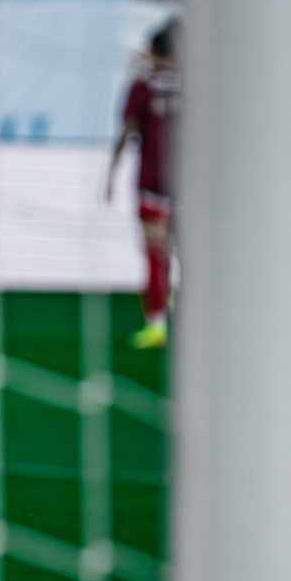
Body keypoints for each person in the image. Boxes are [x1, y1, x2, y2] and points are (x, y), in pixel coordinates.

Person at [105, 19, 180, 351]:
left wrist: (110, 173)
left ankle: (157, 325)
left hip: (152, 182)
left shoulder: (142, 84)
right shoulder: (197, 82)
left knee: (154, 252)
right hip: (190, 184)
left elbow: (128, 129)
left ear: (152, 49)